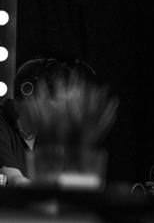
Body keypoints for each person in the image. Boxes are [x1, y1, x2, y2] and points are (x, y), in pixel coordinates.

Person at [0, 57, 99, 186]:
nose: (63, 110)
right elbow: (15, 180)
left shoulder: (48, 134)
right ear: (28, 91)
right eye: (58, 100)